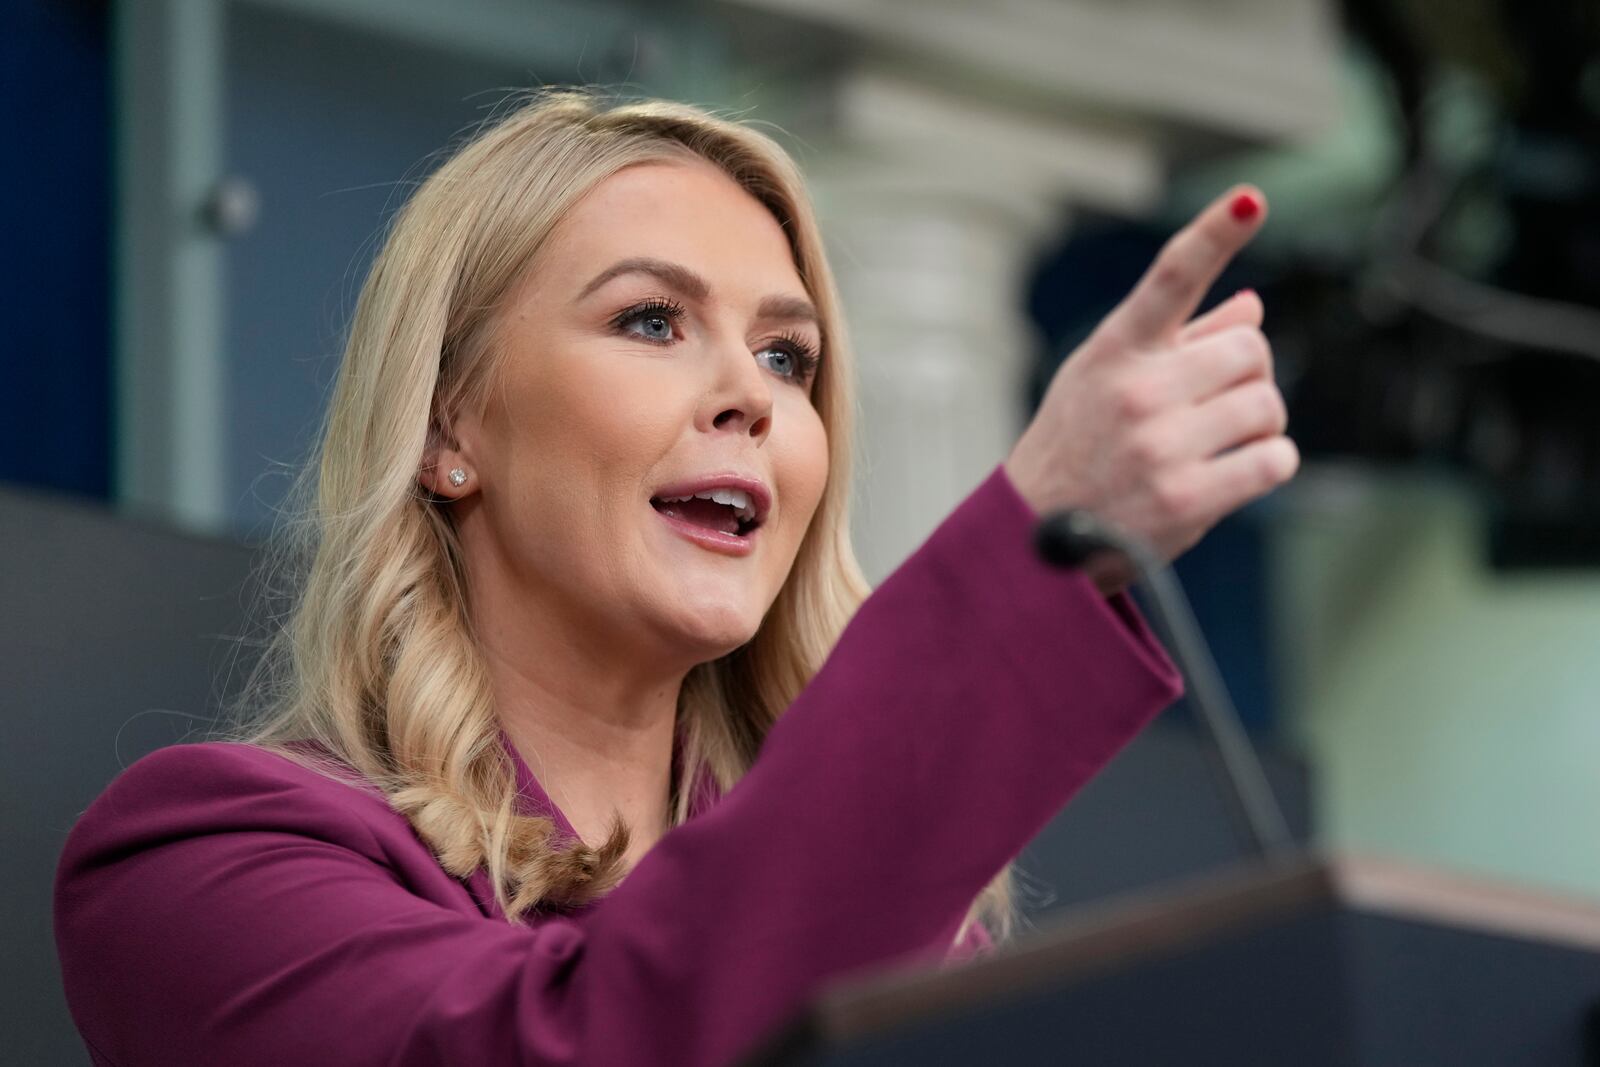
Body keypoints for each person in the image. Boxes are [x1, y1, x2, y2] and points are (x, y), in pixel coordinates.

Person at [53, 91, 1295, 1067]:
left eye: (788, 355)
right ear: (448, 425)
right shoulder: (200, 866)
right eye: (651, 319)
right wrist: (1028, 558)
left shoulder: (920, 951)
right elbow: (580, 1044)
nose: (751, 394)